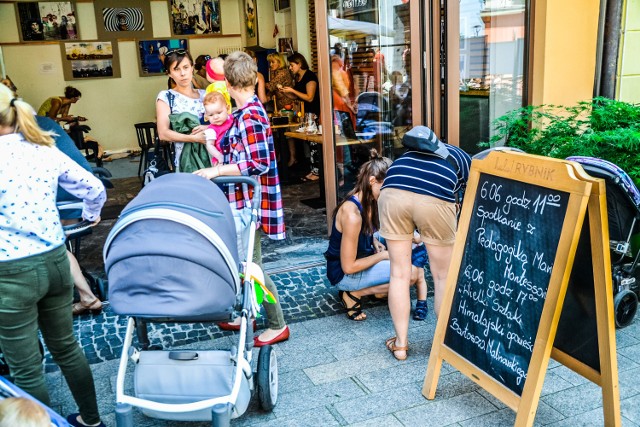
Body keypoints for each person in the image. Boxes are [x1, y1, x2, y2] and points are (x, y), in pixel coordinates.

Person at [0, 84, 106, 427]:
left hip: (10, 274)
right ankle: (91, 420)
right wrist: (88, 216)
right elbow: (94, 188)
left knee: (26, 368)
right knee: (67, 348)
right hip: (56, 262)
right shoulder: (42, 147)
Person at [194, 51, 289, 347]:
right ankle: (247, 314)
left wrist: (216, 170)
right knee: (245, 264)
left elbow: (257, 162)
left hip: (250, 205)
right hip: (245, 203)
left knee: (252, 267)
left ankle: (277, 324)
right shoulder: (246, 111)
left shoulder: (250, 114)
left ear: (230, 84)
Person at [1, 77, 103, 317]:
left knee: (43, 243)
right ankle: (85, 296)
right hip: (74, 198)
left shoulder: (18, 141)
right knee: (53, 245)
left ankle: (84, 296)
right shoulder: (41, 125)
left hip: (62, 204)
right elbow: (91, 185)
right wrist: (92, 213)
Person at [378, 129, 471, 360]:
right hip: (435, 200)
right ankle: (445, 343)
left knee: (398, 274)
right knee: (442, 276)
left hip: (392, 194)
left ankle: (400, 345)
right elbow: (472, 195)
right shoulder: (459, 157)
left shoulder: (403, 160)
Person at [324, 151, 426, 321]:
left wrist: (373, 239)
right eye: (387, 186)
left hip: (364, 256)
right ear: (372, 181)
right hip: (344, 274)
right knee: (411, 273)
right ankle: (353, 293)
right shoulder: (352, 214)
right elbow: (348, 267)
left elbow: (366, 230)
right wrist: (384, 256)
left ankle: (380, 290)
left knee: (409, 244)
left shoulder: (368, 200)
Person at [156, 49, 207, 171]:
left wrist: (208, 128)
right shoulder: (166, 97)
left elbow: (224, 123)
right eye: (176, 69)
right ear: (169, 73)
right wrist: (194, 139)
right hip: (184, 162)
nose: (182, 73)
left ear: (192, 68)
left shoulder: (205, 95)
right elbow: (163, 133)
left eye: (185, 67)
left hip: (211, 159)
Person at [282, 52, 321, 181]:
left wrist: (292, 90)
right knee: (310, 144)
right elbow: (297, 96)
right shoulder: (298, 78)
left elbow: (309, 98)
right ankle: (313, 170)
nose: (290, 67)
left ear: (299, 64)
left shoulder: (309, 77)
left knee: (314, 144)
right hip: (305, 114)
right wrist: (285, 92)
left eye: (292, 65)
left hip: (313, 114)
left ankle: (317, 172)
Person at [203, 90, 233, 166]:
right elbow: (210, 145)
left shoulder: (233, 119)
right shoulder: (211, 130)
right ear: (206, 116)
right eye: (211, 115)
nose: (216, 117)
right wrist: (219, 156)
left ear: (227, 108)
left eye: (219, 112)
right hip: (221, 160)